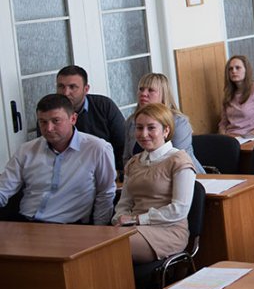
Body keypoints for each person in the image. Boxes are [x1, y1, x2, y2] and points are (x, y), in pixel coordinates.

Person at [0, 94, 115, 224]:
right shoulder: (26, 150)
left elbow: (105, 194)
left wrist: (100, 230)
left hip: (70, 226)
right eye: (43, 122)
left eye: (56, 121)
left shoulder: (97, 149)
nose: (48, 128)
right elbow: (3, 189)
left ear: (73, 119)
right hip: (26, 222)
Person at [115, 103, 196, 263]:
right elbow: (124, 203)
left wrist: (136, 219)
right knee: (97, 243)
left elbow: (179, 210)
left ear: (166, 130)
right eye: (139, 128)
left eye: (151, 128)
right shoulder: (133, 162)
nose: (143, 134)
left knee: (110, 247)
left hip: (168, 231)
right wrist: (119, 219)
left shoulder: (179, 160)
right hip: (134, 227)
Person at [124, 73, 205, 174]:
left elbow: (178, 159)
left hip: (186, 175)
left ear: (163, 95)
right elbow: (127, 158)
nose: (143, 93)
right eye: (141, 89)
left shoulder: (179, 122)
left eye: (150, 90)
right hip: (143, 178)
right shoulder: (131, 121)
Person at [55, 65, 125, 171]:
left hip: (107, 169)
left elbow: (123, 144)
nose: (65, 93)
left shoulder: (104, 106)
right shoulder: (49, 113)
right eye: (61, 86)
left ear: (86, 89)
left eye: (72, 87)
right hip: (67, 173)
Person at [219, 55, 254, 137]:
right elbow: (223, 123)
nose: (234, 71)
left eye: (238, 68)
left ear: (246, 70)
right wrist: (223, 136)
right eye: (230, 69)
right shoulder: (228, 92)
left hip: (250, 137)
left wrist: (244, 137)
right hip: (229, 137)